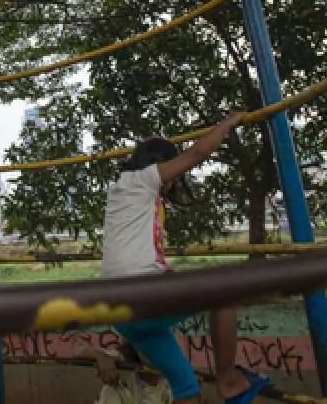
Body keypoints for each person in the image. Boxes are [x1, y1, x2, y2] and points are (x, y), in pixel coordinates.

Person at [102, 112, 271, 404]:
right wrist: (229, 124)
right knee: (224, 291)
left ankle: (219, 383)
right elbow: (199, 152)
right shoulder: (141, 179)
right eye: (173, 174)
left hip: (123, 316)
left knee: (187, 390)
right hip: (142, 296)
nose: (173, 183)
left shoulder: (124, 192)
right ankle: (229, 379)